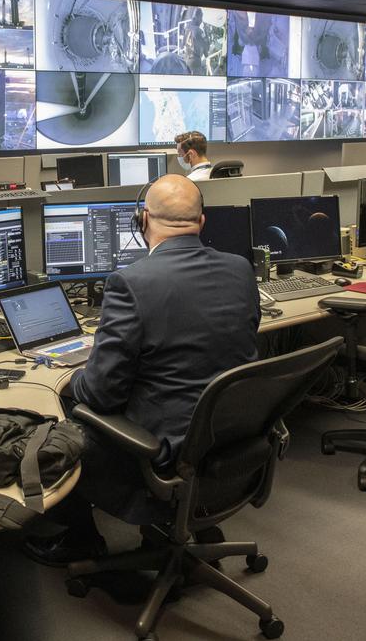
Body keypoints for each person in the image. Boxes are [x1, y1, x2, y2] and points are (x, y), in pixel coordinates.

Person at [24, 175, 261, 565]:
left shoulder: (130, 283)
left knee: (56, 415)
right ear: (202, 223)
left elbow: (101, 394)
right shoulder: (240, 269)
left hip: (164, 452)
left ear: (142, 220)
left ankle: (82, 540)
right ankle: (189, 523)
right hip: (229, 439)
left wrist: (70, 379)